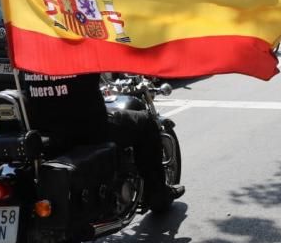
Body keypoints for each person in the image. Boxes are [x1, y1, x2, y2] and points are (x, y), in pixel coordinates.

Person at [18, 72, 184, 211]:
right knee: (146, 123)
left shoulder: (29, 59)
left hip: (47, 134)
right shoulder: (76, 49)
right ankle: (156, 193)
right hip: (91, 130)